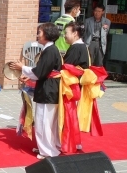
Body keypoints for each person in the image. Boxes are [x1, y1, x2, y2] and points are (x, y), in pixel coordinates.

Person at [10, 23, 62, 160]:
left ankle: (47, 151)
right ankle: (45, 147)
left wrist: (23, 67)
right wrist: (29, 75)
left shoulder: (50, 50)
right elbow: (42, 71)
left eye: (40, 32)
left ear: (47, 34)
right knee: (46, 121)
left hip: (48, 90)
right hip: (48, 88)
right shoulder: (50, 49)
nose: (38, 35)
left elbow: (40, 72)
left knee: (44, 121)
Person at [59, 21, 90, 153]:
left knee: (68, 116)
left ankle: (66, 143)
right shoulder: (83, 47)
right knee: (72, 117)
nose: (64, 36)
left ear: (75, 34)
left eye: (66, 33)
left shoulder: (76, 48)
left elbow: (66, 68)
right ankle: (74, 143)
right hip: (76, 86)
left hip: (71, 87)